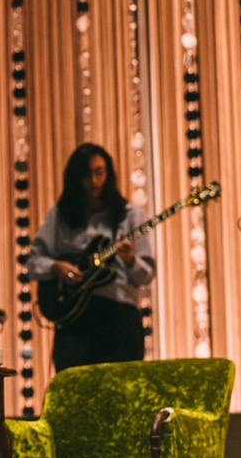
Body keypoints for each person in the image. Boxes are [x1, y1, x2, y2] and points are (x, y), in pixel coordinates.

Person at [27, 143, 156, 372]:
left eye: (99, 172)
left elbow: (146, 275)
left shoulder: (129, 215)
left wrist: (129, 260)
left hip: (119, 320)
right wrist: (56, 267)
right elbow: (34, 262)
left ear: (109, 173)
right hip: (74, 322)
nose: (94, 181)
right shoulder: (60, 215)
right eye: (86, 174)